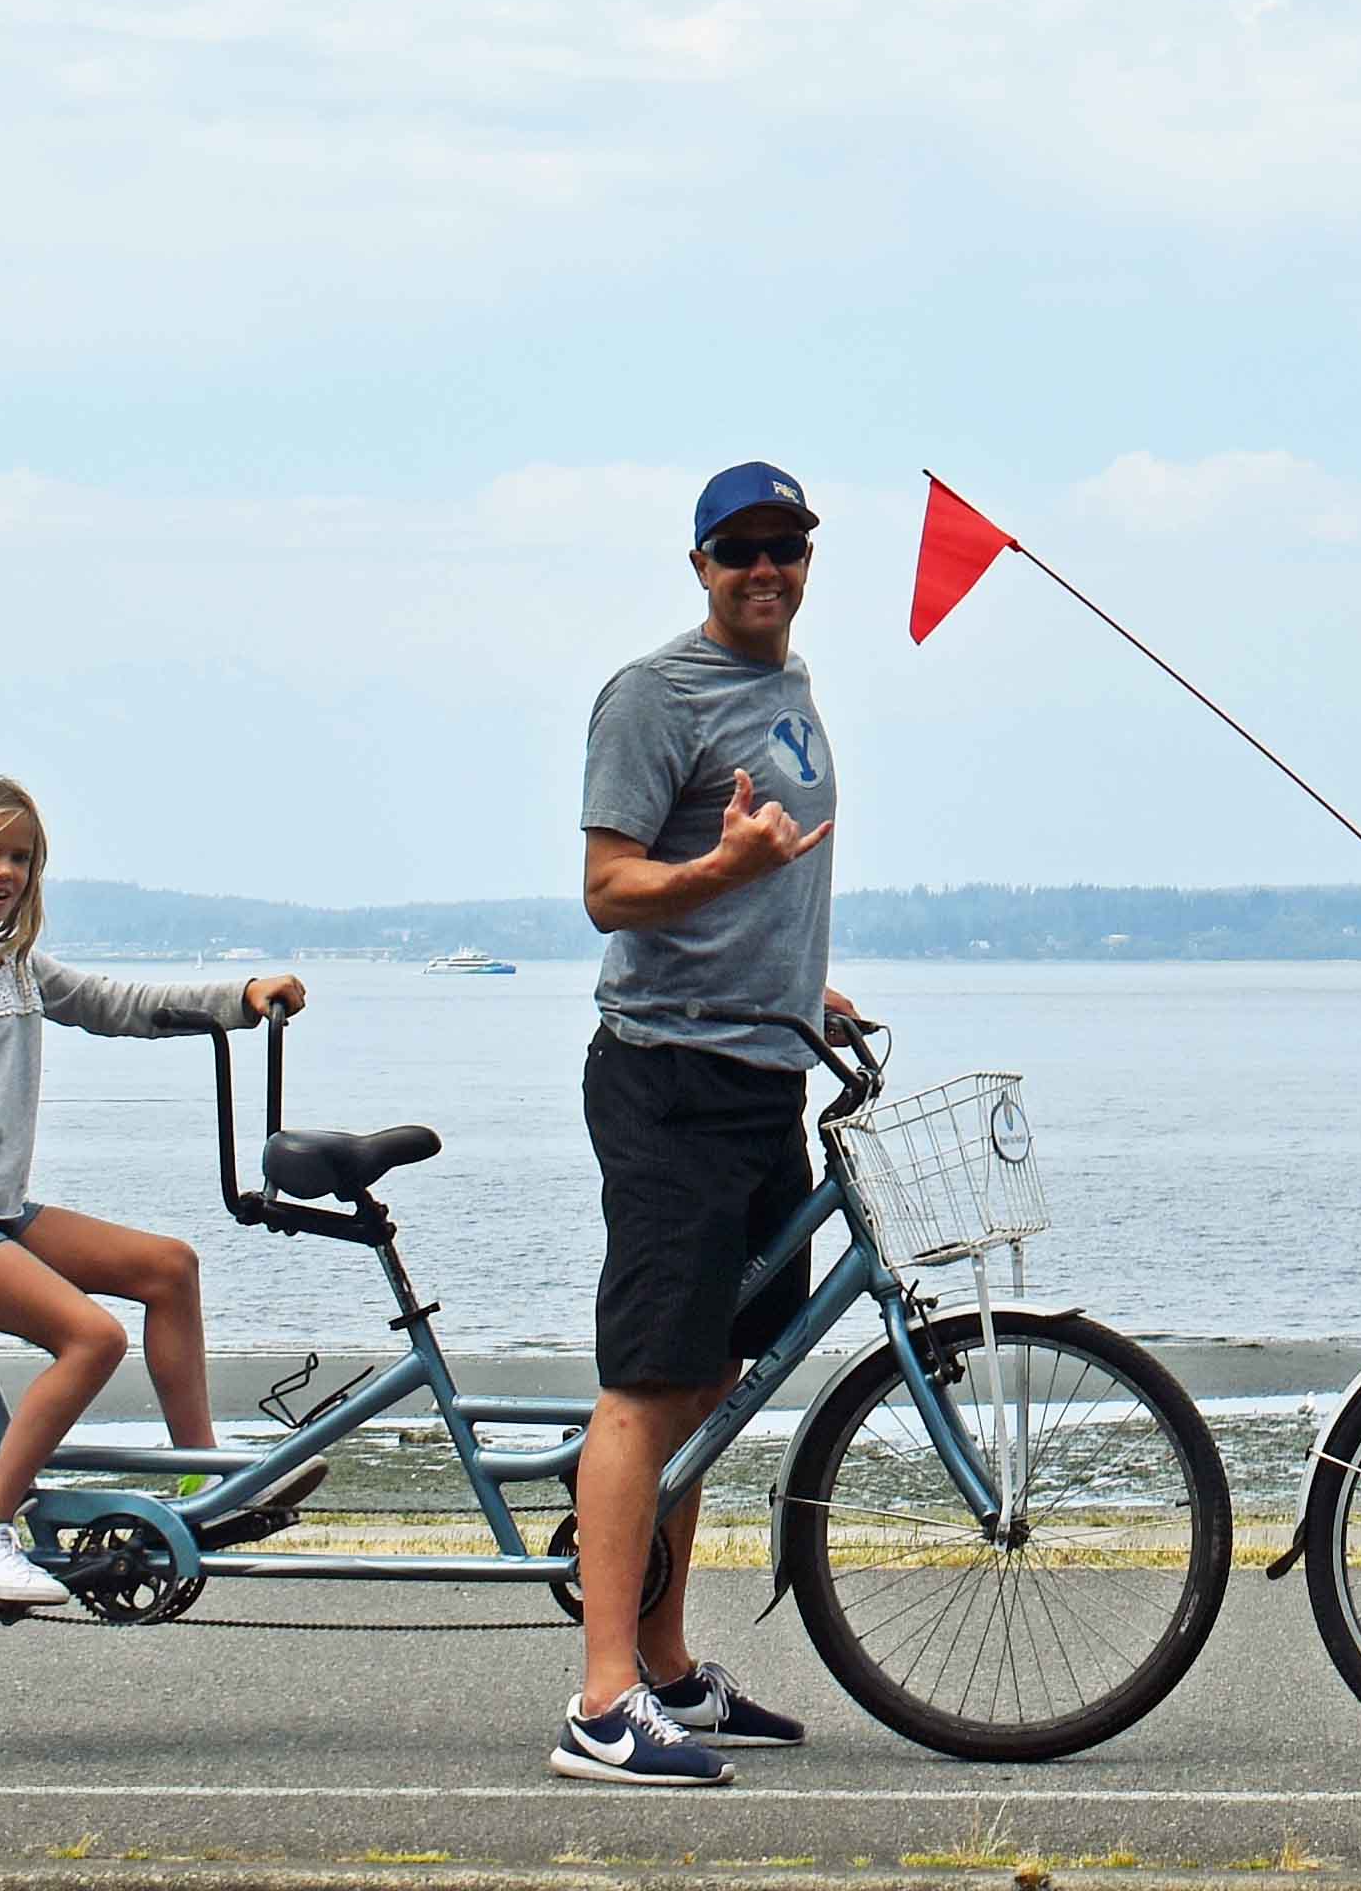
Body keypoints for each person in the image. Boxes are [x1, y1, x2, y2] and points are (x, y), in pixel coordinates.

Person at [551, 461, 855, 1788]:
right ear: (700, 565)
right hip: (667, 1079)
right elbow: (612, 889)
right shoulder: (653, 695)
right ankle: (603, 1698)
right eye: (740, 550)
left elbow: (758, 888)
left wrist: (800, 982)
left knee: (712, 1387)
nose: (765, 569)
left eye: (785, 546)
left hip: (763, 1076)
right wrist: (720, 872)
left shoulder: (790, 689)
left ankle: (670, 1667)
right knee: (645, 1385)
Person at [0, 776, 306, 1611]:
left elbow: (112, 1003)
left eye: (19, 857)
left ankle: (204, 1484)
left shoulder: (15, 966)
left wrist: (236, 1000)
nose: (3, 871)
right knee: (91, 1339)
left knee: (168, 1267)